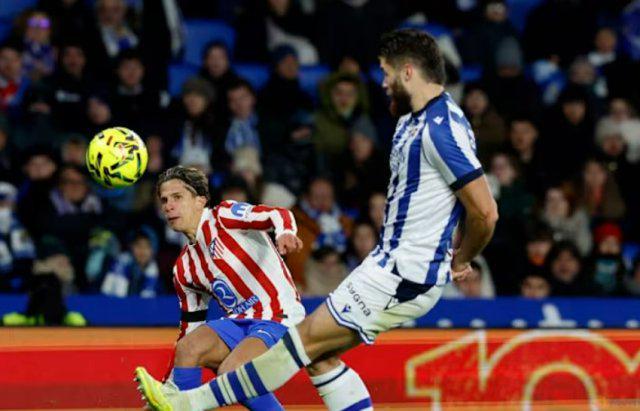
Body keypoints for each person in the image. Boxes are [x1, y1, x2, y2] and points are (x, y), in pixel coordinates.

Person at [136, 28, 497, 410]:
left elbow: (485, 211)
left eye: (387, 73)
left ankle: (186, 405)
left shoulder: (440, 130)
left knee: (301, 344)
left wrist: (460, 257)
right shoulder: (415, 122)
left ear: (408, 72)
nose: (383, 83)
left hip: (404, 271)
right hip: (388, 264)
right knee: (320, 357)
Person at [139, 166, 372, 410]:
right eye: (164, 200)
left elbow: (278, 214)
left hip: (278, 316)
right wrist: (167, 388)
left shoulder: (224, 216)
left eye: (177, 197)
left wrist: (285, 233)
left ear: (200, 200)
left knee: (232, 373)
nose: (169, 206)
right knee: (189, 348)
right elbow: (190, 329)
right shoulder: (184, 268)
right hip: (240, 323)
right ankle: (175, 402)